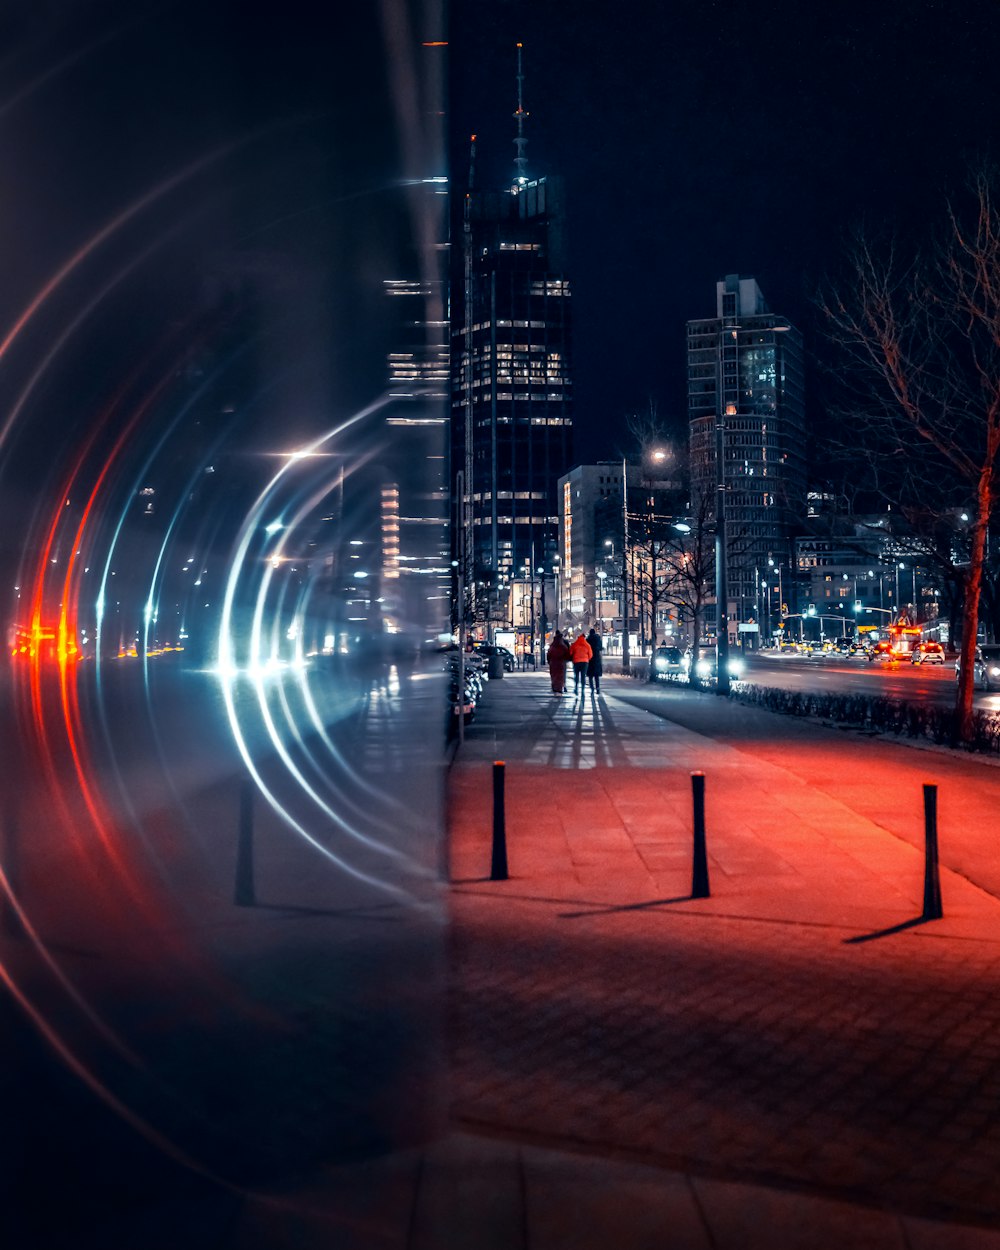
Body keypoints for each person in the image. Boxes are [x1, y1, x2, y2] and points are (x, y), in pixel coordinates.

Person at [546, 630, 571, 694]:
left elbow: (549, 654)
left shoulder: (553, 645)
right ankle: (560, 687)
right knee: (561, 675)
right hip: (561, 663)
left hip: (553, 663)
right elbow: (568, 654)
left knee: (554, 675)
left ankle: (554, 687)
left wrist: (549, 661)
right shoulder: (563, 645)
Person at [586, 627, 603, 694]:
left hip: (589, 658)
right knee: (596, 675)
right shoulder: (598, 639)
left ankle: (592, 688)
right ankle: (597, 688)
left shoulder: (588, 640)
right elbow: (601, 648)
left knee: (590, 675)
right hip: (596, 658)